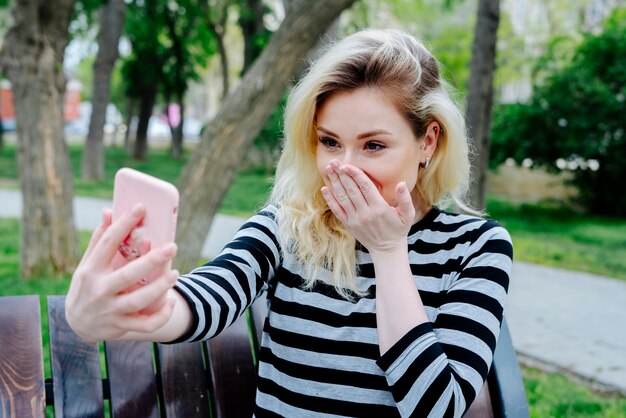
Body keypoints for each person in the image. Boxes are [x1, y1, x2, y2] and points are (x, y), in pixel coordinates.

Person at [66, 28, 513, 417]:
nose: (344, 167)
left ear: (427, 142)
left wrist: (388, 251)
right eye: (329, 142)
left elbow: (437, 406)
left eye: (374, 145)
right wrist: (126, 310)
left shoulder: (476, 248)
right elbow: (207, 296)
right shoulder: (288, 225)